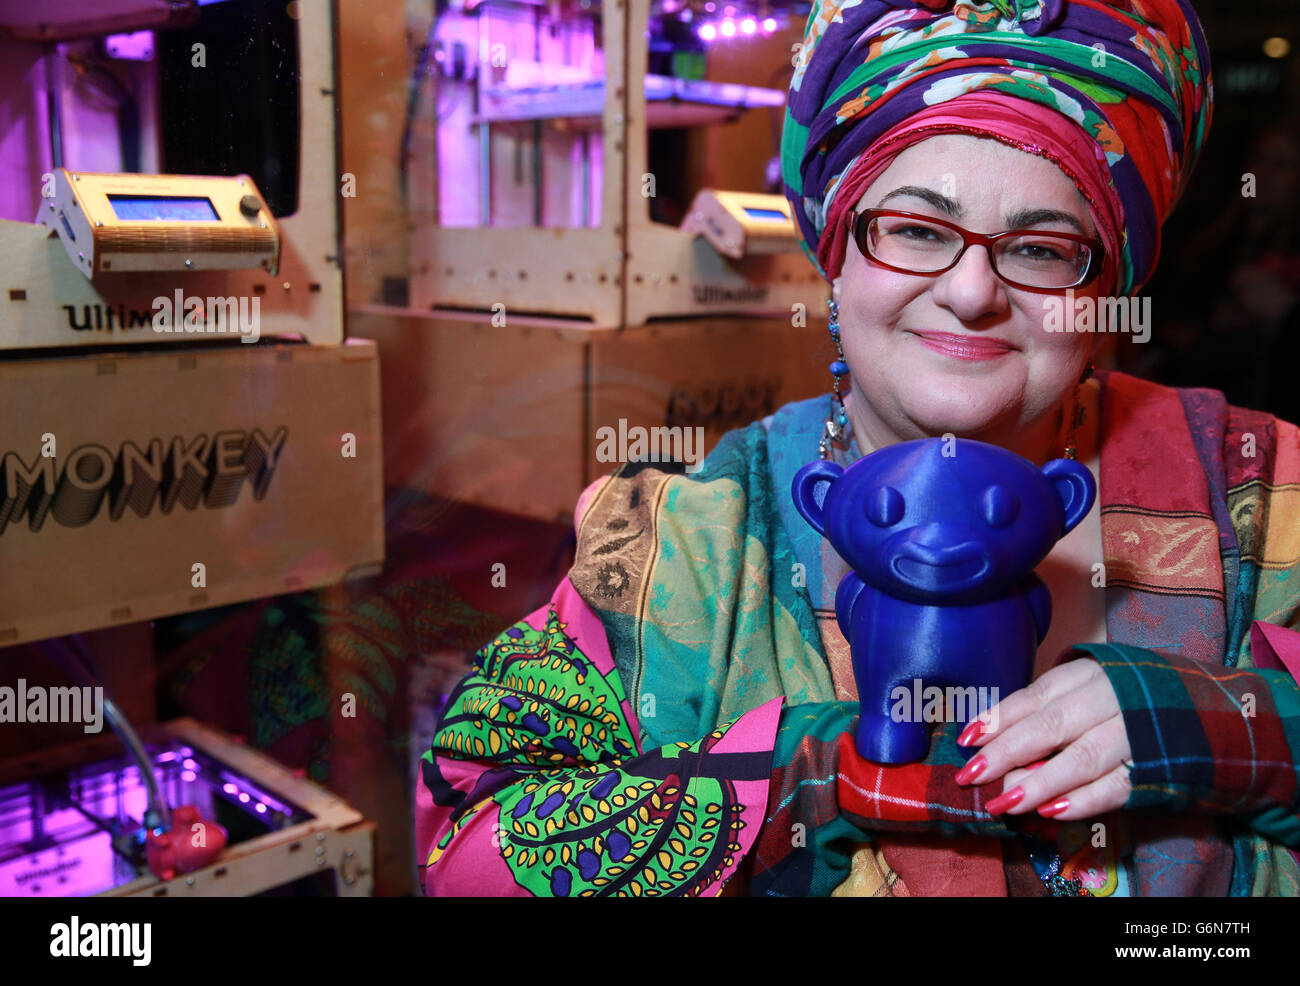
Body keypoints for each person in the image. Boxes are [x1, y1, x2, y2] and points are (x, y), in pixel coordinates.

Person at [415, 0, 1300, 896]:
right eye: (915, 230)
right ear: (834, 254)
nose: (969, 291)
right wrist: (815, 779)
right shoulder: (686, 542)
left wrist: (1226, 730)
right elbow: (465, 840)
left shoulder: (1259, 493)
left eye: (1040, 249)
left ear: (1108, 281)